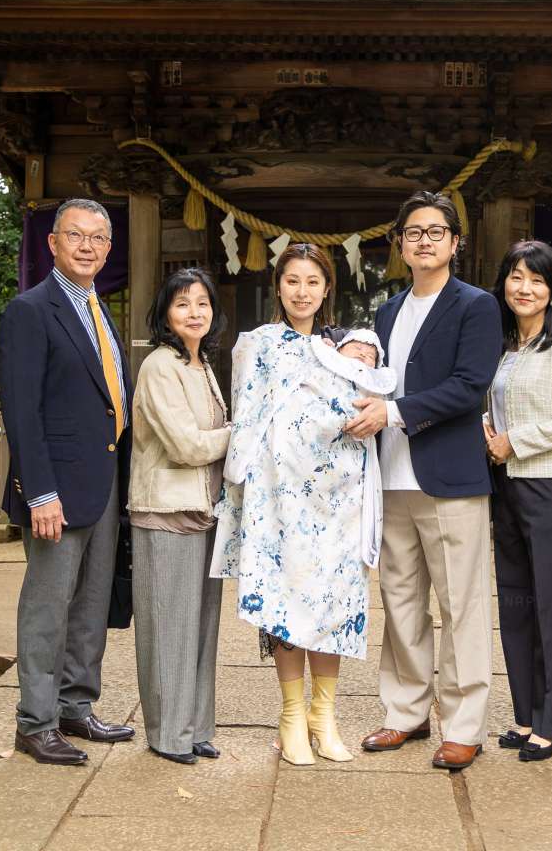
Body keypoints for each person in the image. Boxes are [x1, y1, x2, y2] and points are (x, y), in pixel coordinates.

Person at [211, 245, 395, 766]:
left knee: (335, 602)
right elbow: (247, 416)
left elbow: (364, 404)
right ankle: (291, 715)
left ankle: (324, 714)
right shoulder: (257, 343)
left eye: (313, 282)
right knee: (286, 600)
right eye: (292, 281)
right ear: (278, 286)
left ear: (326, 289)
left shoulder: (345, 348)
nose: (302, 291)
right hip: (278, 496)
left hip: (337, 497)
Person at [349, 191, 502, 772]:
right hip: (390, 478)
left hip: (451, 478)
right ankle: (405, 713)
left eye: (436, 232)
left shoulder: (476, 306)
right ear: (400, 243)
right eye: (413, 232)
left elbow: (469, 386)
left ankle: (463, 726)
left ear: (454, 243)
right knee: (402, 602)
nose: (424, 241)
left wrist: (393, 412)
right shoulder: (388, 311)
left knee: (460, 606)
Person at [0, 198, 135, 766]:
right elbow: (21, 410)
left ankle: (76, 705)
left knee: (90, 603)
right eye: (75, 235)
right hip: (55, 489)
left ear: (108, 249)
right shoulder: (31, 310)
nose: (87, 246)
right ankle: (36, 720)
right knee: (48, 606)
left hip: (103, 482)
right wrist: (41, 492)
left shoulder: (100, 311)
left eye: (98, 238)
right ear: (51, 243)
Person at [484, 240, 552, 763]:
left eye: (537, 279)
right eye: (516, 277)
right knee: (517, 606)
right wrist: (491, 431)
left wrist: (514, 441)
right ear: (503, 284)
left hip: (551, 489)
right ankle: (526, 716)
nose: (524, 288)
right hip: (507, 488)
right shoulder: (508, 347)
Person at [128, 267, 231, 765]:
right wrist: (244, 432)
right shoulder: (159, 366)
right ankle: (168, 735)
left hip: (205, 511)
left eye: (203, 303)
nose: (195, 312)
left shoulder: (202, 364)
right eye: (183, 303)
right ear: (166, 313)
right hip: (165, 510)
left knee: (202, 626)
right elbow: (188, 446)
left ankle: (196, 728)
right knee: (168, 625)